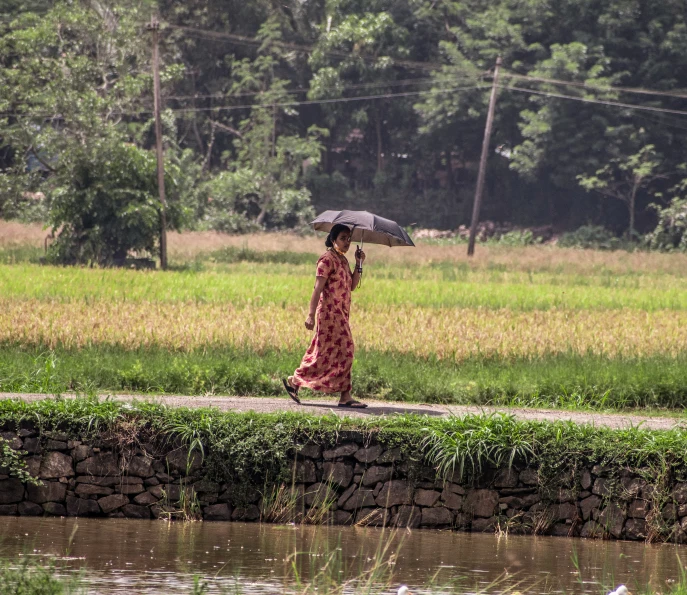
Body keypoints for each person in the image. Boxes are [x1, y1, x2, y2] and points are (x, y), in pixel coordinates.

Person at [283, 223, 368, 408]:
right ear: (333, 239)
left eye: (348, 239)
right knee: (347, 349)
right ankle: (345, 396)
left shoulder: (343, 260)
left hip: (342, 314)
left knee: (323, 353)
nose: (347, 242)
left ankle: (295, 380)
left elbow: (352, 286)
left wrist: (359, 263)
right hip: (329, 315)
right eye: (342, 238)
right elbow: (317, 288)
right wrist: (310, 315)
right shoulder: (327, 260)